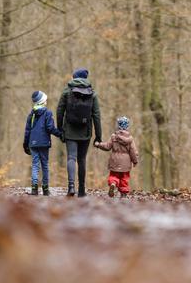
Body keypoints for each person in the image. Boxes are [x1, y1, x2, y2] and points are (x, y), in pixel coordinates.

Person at [56, 68, 102, 197]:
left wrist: (60, 129)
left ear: (74, 77)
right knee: (82, 159)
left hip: (70, 130)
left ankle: (71, 187)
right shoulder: (92, 94)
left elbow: (59, 111)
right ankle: (81, 189)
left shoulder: (67, 91)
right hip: (85, 132)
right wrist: (98, 136)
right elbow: (96, 115)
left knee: (71, 157)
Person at [23, 90, 62, 196]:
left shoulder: (31, 114)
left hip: (33, 143)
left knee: (35, 165)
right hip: (44, 143)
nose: (46, 102)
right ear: (42, 101)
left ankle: (34, 189)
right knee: (45, 165)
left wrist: (25, 144)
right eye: (45, 100)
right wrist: (60, 134)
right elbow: (50, 128)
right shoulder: (47, 113)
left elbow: (27, 131)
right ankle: (45, 189)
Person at [94, 116, 139, 198]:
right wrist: (135, 161)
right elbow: (133, 151)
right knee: (124, 178)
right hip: (126, 163)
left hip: (114, 161)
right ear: (127, 126)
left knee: (114, 175)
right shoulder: (130, 139)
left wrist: (98, 144)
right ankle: (123, 194)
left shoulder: (114, 136)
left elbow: (107, 147)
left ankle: (113, 183)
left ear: (118, 125)